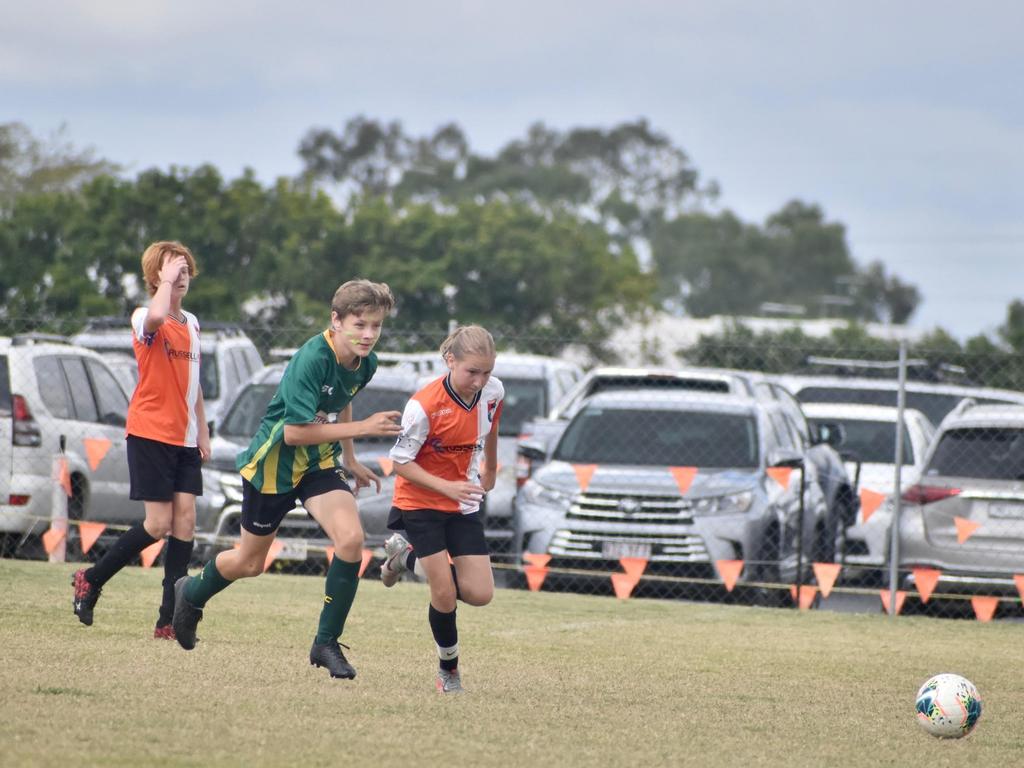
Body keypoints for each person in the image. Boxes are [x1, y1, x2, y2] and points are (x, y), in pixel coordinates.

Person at [171, 279, 402, 680]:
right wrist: (363, 428)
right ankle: (189, 593)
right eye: (359, 324)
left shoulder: (367, 361)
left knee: (350, 541)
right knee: (250, 562)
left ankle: (325, 643)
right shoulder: (311, 358)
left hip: (317, 464)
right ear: (336, 320)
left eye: (376, 326)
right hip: (273, 465)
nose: (368, 335)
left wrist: (349, 459)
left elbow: (341, 400)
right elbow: (294, 432)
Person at [72, 241, 211, 639]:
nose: (180, 275)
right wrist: (164, 284)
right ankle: (91, 578)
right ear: (155, 276)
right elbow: (153, 316)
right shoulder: (144, 316)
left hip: (184, 440)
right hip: (150, 433)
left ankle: (169, 620)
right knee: (158, 524)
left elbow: (195, 383)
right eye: (171, 270)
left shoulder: (193, 322)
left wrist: (201, 429)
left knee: (186, 522)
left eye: (185, 269)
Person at [379, 325, 503, 693]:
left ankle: (403, 559)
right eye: (472, 372)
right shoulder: (424, 405)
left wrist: (491, 468)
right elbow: (400, 463)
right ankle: (448, 671)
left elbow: (492, 425)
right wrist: (446, 485)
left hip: (462, 503)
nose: (480, 380)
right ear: (451, 361)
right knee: (444, 592)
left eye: (487, 372)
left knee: (480, 593)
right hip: (419, 502)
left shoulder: (492, 391)